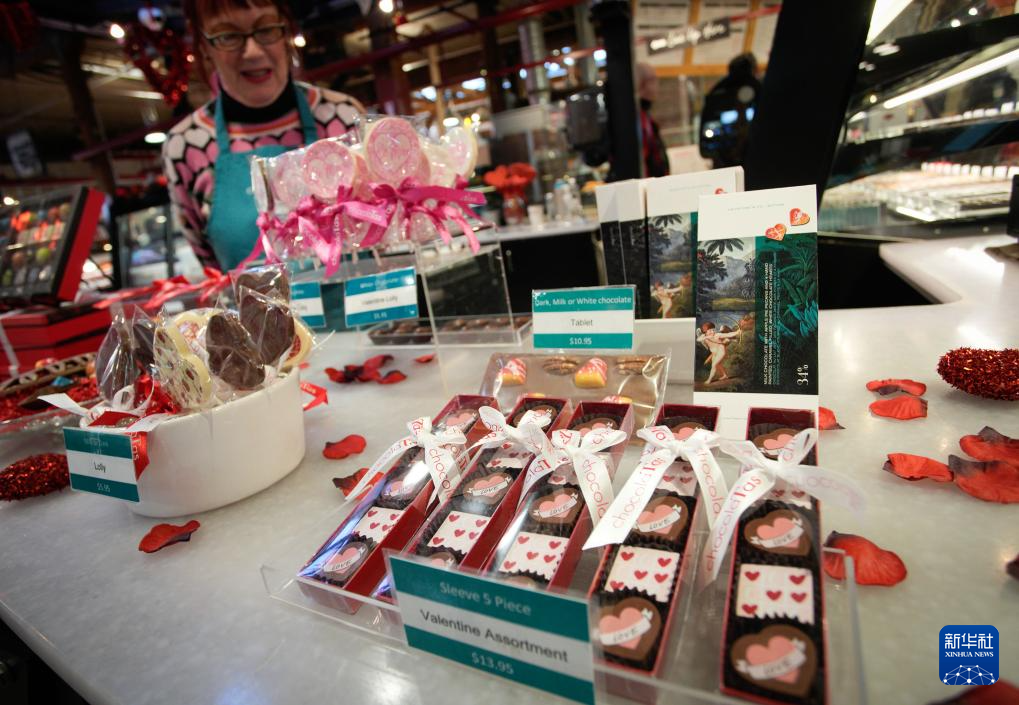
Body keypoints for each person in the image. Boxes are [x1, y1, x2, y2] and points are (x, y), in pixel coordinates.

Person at [163, 0, 364, 270]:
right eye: (228, 36)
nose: (253, 52)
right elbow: (212, 268)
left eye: (266, 29)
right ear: (205, 48)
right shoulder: (185, 146)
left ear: (286, 33)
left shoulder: (343, 116)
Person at [699, 53, 762, 168]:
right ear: (753, 69)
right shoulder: (759, 89)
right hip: (756, 161)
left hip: (724, 164)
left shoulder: (717, 92)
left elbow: (705, 145)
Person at [636, 62, 670, 177]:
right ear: (641, 83)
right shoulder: (640, 119)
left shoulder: (645, 116)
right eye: (653, 80)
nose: (657, 86)